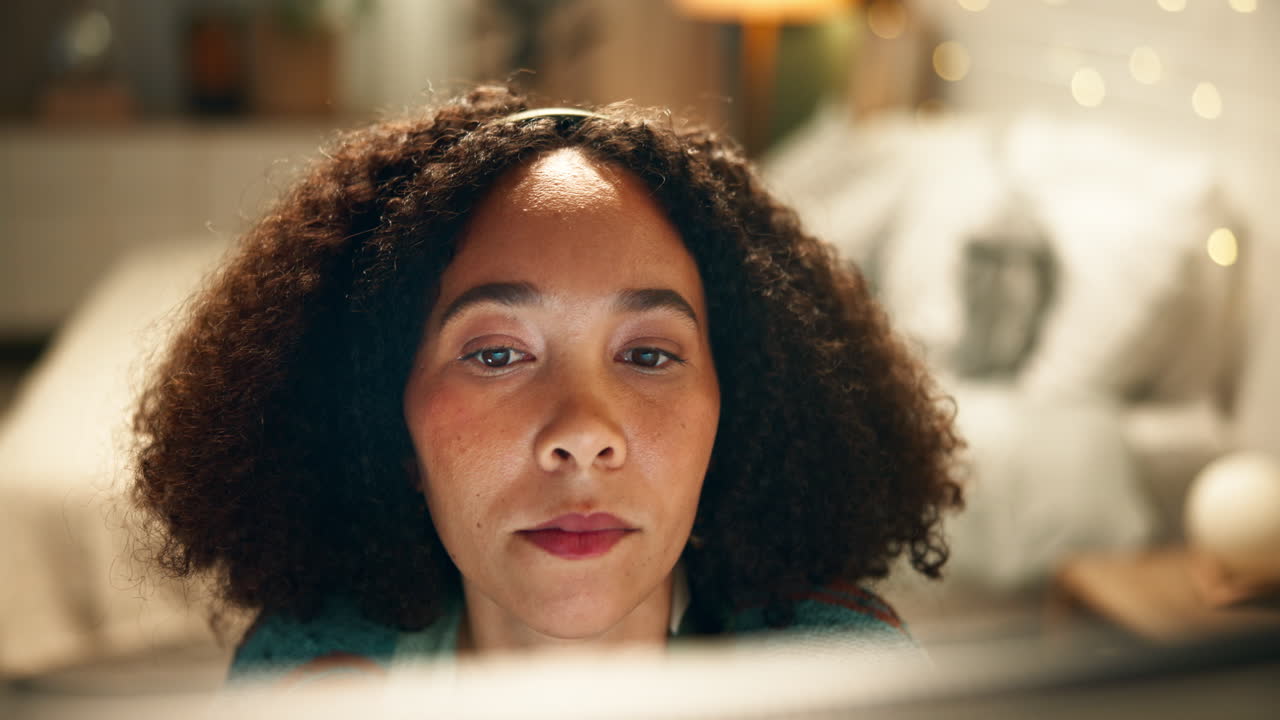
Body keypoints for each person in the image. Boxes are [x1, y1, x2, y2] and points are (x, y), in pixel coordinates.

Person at [130, 86, 963, 684]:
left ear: (734, 414)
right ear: (392, 424)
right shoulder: (311, 673)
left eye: (648, 355)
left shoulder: (838, 679)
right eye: (496, 354)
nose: (583, 429)